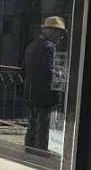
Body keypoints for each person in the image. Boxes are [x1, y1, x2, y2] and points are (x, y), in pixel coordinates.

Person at [25, 16, 67, 151]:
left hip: (31, 94)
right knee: (42, 130)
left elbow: (23, 70)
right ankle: (39, 156)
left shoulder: (31, 46)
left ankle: (29, 153)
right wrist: (60, 76)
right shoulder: (49, 48)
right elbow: (49, 73)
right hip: (44, 96)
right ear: (51, 32)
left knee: (32, 127)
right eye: (59, 34)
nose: (60, 38)